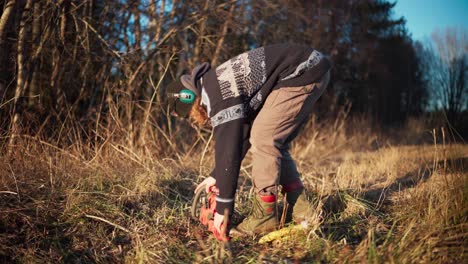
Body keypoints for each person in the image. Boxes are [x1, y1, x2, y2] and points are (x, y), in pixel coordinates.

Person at [167, 43, 331, 239]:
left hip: (302, 70)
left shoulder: (216, 94)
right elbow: (240, 138)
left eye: (189, 115)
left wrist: (223, 209)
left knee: (264, 138)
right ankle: (301, 206)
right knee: (271, 140)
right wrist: (216, 176)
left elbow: (228, 151)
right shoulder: (215, 83)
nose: (194, 120)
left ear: (188, 99)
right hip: (309, 67)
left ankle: (265, 215)